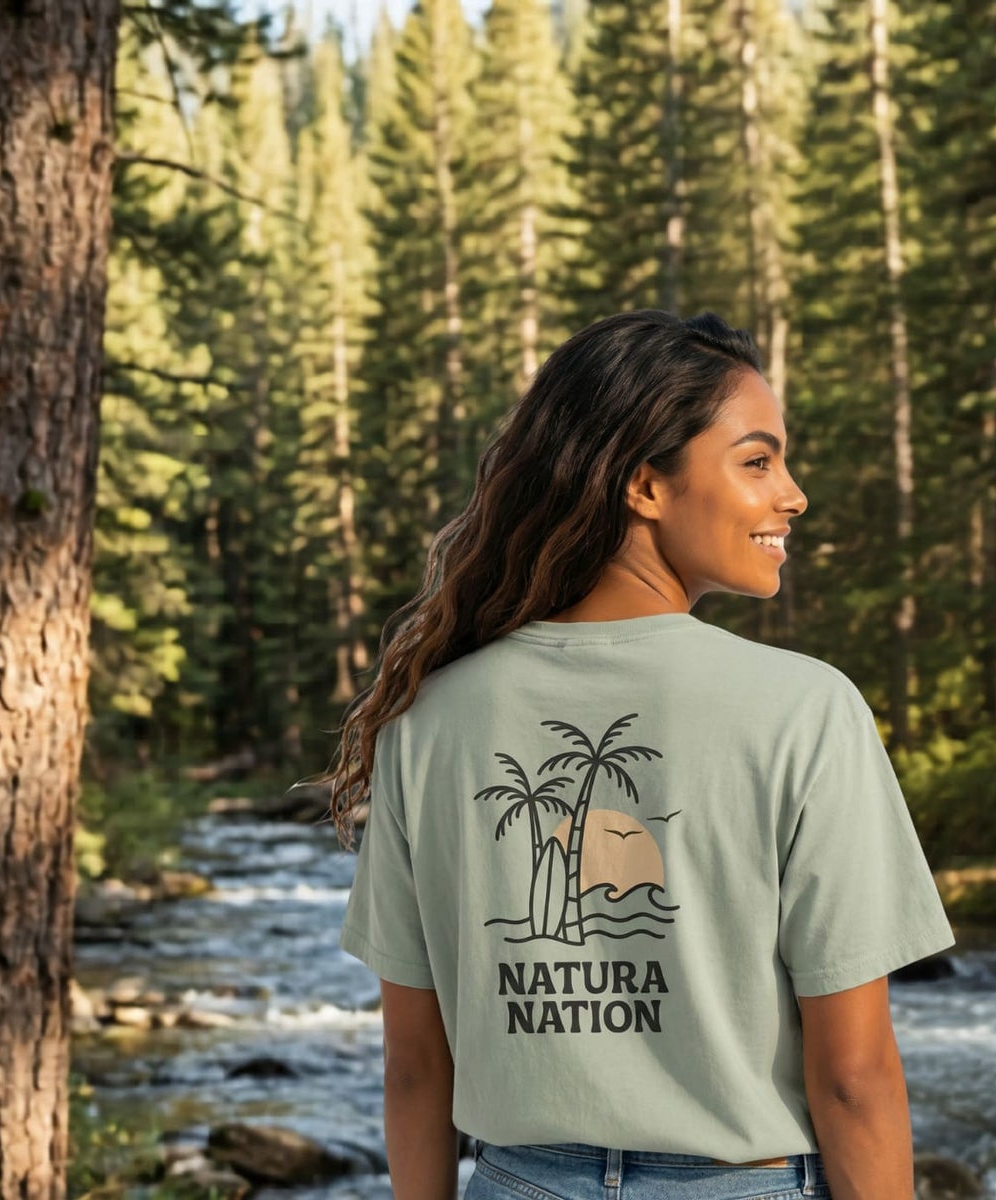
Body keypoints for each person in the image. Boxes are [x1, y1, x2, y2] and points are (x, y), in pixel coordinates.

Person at [317, 310, 957, 1200]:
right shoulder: (805, 709)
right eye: (758, 462)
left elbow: (415, 1069)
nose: (794, 495)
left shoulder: (429, 719)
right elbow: (853, 1077)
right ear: (646, 486)